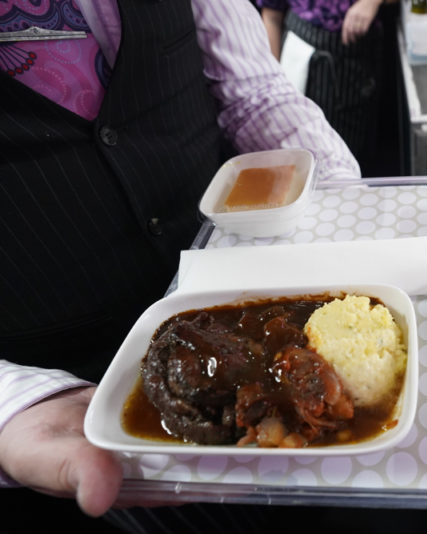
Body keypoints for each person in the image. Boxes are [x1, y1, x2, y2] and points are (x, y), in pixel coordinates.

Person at [0, 0, 359, 527]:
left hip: (243, 293)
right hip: (61, 379)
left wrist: (348, 206)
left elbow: (256, 92)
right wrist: (15, 401)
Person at [253, 0, 390, 175]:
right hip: (297, 57)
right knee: (300, 164)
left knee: (349, 166)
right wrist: (271, 84)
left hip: (355, 62)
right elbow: (271, 15)